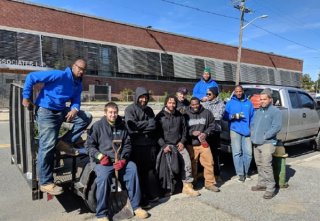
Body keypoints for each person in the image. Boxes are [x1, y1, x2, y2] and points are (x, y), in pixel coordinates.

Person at [22, 58, 92, 195]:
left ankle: (63, 142)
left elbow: (76, 100)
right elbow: (31, 77)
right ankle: (45, 182)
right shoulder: (59, 75)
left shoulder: (78, 84)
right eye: (79, 68)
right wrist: (26, 97)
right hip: (46, 111)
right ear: (73, 66)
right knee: (47, 145)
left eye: (84, 70)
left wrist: (75, 109)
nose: (81, 71)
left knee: (86, 117)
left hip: (61, 111)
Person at [86, 102, 149, 220]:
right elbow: (89, 145)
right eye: (110, 112)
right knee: (104, 178)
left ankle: (136, 207)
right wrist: (99, 156)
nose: (113, 115)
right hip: (103, 161)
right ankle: (101, 214)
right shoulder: (98, 126)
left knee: (132, 169)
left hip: (119, 160)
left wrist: (123, 159)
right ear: (105, 113)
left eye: (115, 112)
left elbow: (127, 145)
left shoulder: (122, 126)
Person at [155, 95, 200, 197]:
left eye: (174, 103)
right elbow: (156, 134)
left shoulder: (180, 115)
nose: (172, 105)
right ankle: (168, 189)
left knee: (187, 162)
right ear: (166, 103)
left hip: (178, 145)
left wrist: (182, 141)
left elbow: (184, 130)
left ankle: (187, 186)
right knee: (169, 168)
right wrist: (163, 145)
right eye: (170, 103)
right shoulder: (160, 116)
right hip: (167, 146)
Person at [124, 87, 159, 208]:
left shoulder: (149, 110)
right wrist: (146, 124)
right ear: (137, 97)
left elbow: (154, 125)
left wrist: (139, 127)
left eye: (146, 97)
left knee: (149, 172)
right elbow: (131, 128)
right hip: (137, 147)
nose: (143, 100)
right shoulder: (130, 109)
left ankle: (151, 196)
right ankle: (141, 199)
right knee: (138, 173)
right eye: (141, 97)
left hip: (149, 146)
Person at [250, 88, 282, 199]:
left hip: (267, 143)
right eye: (261, 99)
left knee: (266, 166)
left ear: (270, 99)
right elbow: (253, 124)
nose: (262, 101)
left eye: (264, 99)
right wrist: (253, 134)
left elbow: (277, 127)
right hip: (256, 142)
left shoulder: (275, 111)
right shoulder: (258, 111)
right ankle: (262, 184)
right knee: (259, 164)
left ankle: (270, 188)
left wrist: (265, 136)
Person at [184, 97, 220, 192]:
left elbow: (212, 125)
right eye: (193, 104)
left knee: (209, 162)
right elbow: (182, 129)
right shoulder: (186, 114)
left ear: (199, 103)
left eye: (197, 104)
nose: (195, 106)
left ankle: (209, 183)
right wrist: (191, 132)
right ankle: (193, 182)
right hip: (191, 144)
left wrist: (206, 133)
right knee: (192, 164)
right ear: (190, 105)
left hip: (203, 143)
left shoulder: (207, 113)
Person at [224, 85, 255, 182]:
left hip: (247, 131)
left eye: (240, 91)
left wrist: (252, 129)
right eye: (236, 91)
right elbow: (225, 116)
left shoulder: (249, 103)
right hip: (235, 130)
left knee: (249, 153)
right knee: (237, 153)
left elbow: (253, 117)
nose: (238, 93)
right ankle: (240, 173)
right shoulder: (230, 103)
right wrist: (234, 116)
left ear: (243, 92)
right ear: (234, 92)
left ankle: (246, 172)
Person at [202, 86, 225, 181]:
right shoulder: (204, 103)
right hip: (205, 132)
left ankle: (217, 174)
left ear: (215, 94)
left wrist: (207, 117)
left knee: (215, 154)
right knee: (205, 154)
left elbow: (218, 116)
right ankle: (204, 174)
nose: (207, 96)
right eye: (206, 94)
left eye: (209, 94)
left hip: (215, 132)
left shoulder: (221, 104)